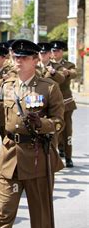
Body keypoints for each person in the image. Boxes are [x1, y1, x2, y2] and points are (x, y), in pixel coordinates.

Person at [0, 39, 65, 228]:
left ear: (35, 60)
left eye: (23, 58)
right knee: (5, 211)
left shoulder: (49, 87)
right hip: (10, 157)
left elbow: (60, 122)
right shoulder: (6, 85)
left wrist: (43, 123)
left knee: (40, 212)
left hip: (38, 156)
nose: (18, 61)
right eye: (15, 57)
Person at [50, 40, 78, 168]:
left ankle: (68, 157)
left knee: (67, 130)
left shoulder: (67, 64)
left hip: (65, 101)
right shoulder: (48, 65)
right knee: (53, 129)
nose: (54, 53)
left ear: (62, 51)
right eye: (53, 51)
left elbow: (74, 73)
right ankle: (56, 152)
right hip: (51, 102)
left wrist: (67, 72)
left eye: (57, 51)